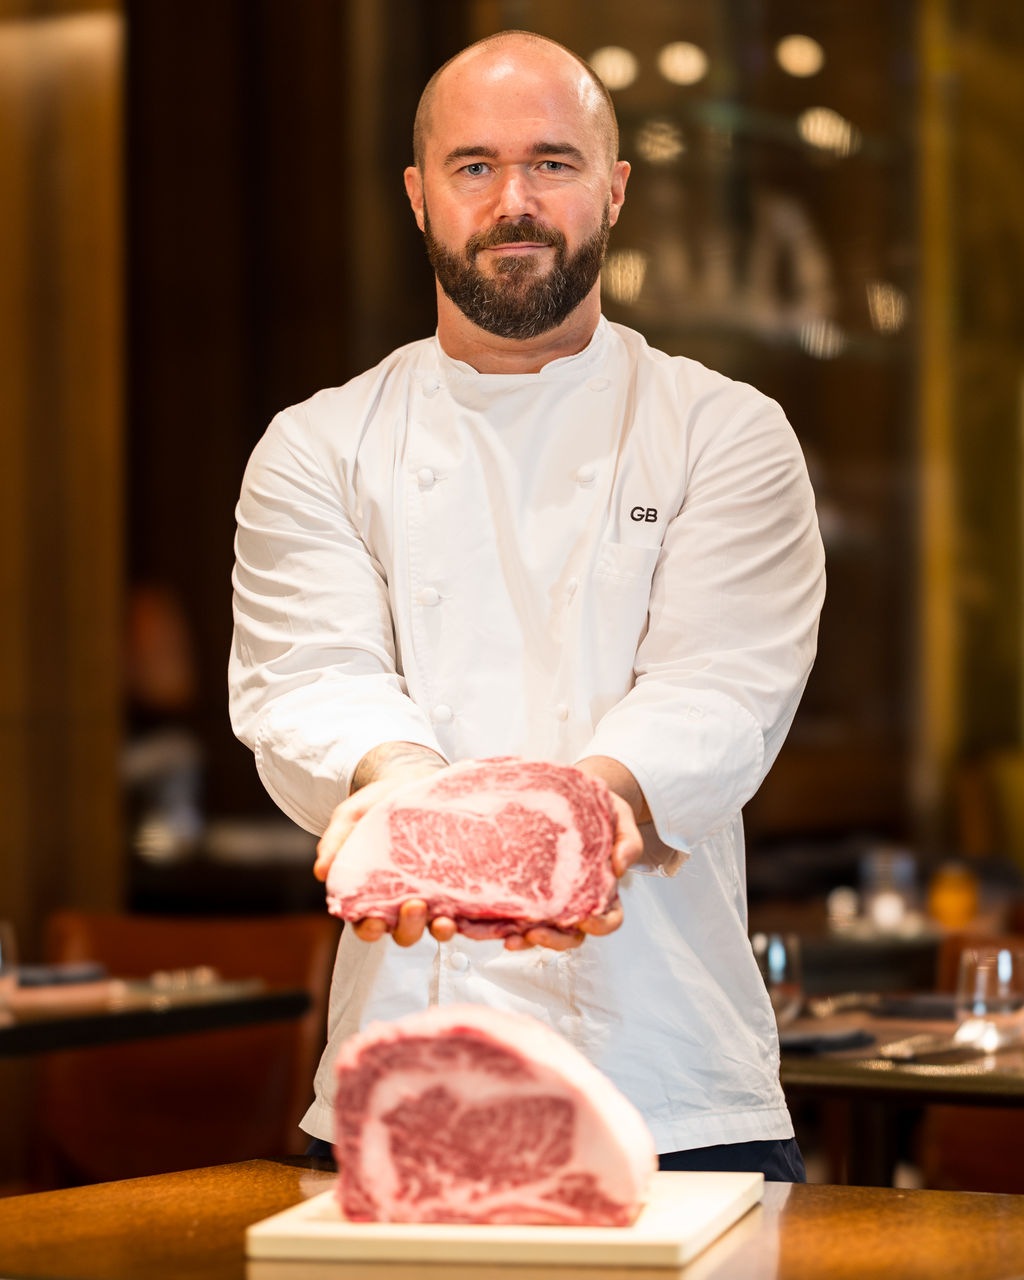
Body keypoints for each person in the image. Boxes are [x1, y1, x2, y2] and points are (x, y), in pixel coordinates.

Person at [229, 29, 825, 1181]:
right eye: (474, 166)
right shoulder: (318, 445)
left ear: (614, 188)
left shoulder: (722, 430)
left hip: (674, 1085)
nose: (515, 200)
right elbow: (311, 682)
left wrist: (563, 834)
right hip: (400, 1069)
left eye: (552, 162)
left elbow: (720, 691)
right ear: (417, 196)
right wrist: (421, 811)